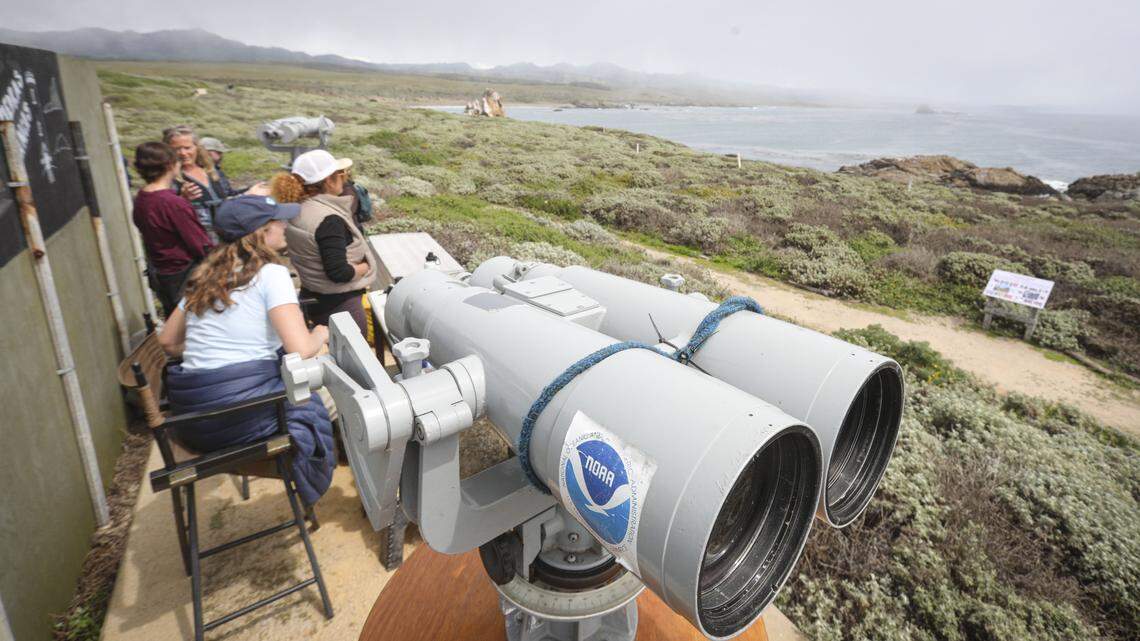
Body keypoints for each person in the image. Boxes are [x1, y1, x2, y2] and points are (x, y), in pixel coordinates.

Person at [157, 194, 336, 506]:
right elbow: (299, 349)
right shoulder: (271, 274)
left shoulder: (204, 276)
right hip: (240, 417)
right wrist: (320, 333)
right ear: (261, 233)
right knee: (342, 399)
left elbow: (168, 342)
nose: (284, 225)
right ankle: (355, 477)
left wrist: (215, 345)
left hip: (193, 419)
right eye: (277, 221)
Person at [272, 149, 377, 332]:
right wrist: (365, 267)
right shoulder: (328, 219)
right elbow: (339, 273)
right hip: (342, 307)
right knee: (355, 357)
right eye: (341, 174)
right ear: (328, 180)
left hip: (315, 296)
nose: (345, 179)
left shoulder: (297, 209)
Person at [132, 141, 214, 316]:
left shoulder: (142, 197)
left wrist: (183, 200)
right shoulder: (172, 203)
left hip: (161, 273)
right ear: (170, 165)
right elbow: (200, 244)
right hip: (184, 275)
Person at [163, 125, 233, 239]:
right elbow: (165, 215)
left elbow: (229, 195)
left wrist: (251, 191)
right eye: (176, 149)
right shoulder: (169, 180)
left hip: (227, 237)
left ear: (196, 147)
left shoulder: (213, 172)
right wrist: (182, 199)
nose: (183, 153)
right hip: (199, 241)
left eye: (187, 148)